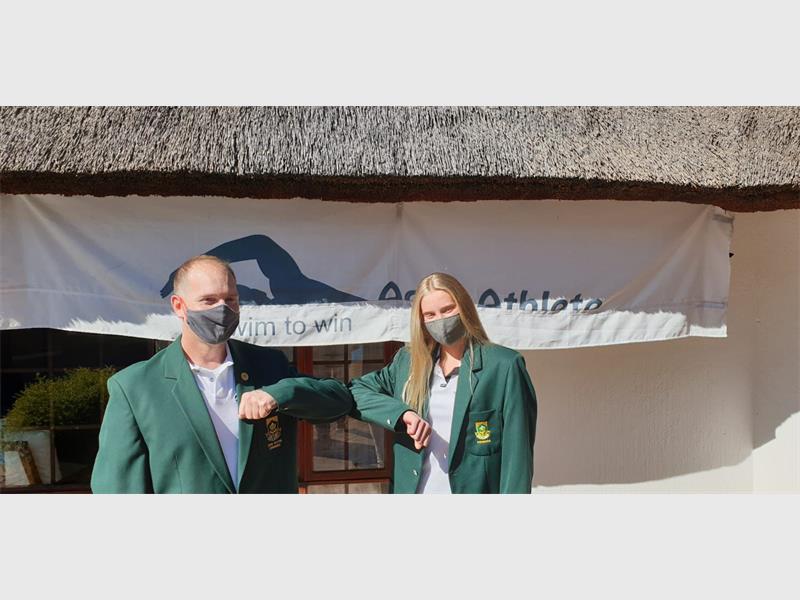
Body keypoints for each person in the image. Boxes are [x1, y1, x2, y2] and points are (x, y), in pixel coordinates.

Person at [91, 255, 352, 493]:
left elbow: (339, 400)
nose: (223, 309)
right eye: (209, 300)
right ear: (179, 306)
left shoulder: (269, 365)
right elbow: (116, 489)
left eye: (230, 299)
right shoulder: (135, 388)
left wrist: (280, 393)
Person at [349, 272, 538, 493]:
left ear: (465, 307)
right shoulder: (407, 362)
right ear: (421, 321)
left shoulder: (504, 365)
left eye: (448, 310)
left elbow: (517, 459)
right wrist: (402, 414)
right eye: (430, 315)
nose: (440, 320)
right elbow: (356, 391)